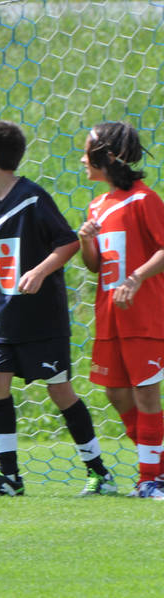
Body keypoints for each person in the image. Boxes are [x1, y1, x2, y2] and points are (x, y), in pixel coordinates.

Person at [0, 121, 114, 497]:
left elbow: (67, 242)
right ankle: (9, 477)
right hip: (6, 312)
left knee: (59, 390)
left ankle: (99, 473)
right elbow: (2, 246)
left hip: (42, 316)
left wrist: (40, 271)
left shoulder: (32, 197)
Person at [76, 121, 164, 499]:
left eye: (87, 151)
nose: (83, 159)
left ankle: (150, 478)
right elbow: (95, 266)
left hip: (143, 315)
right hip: (109, 316)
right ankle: (158, 465)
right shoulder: (98, 205)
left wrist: (137, 277)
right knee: (116, 393)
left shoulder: (144, 200)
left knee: (146, 394)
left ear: (109, 156)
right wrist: (86, 242)